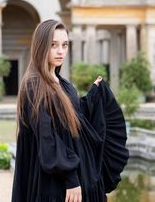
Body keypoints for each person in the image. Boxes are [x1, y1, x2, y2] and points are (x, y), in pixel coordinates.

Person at [11, 19, 129, 202]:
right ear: (41, 46)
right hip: (55, 182)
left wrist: (93, 97)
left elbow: (75, 118)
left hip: (74, 176)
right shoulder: (34, 85)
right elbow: (47, 138)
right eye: (53, 45)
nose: (61, 51)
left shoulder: (61, 83)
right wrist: (71, 178)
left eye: (65, 45)